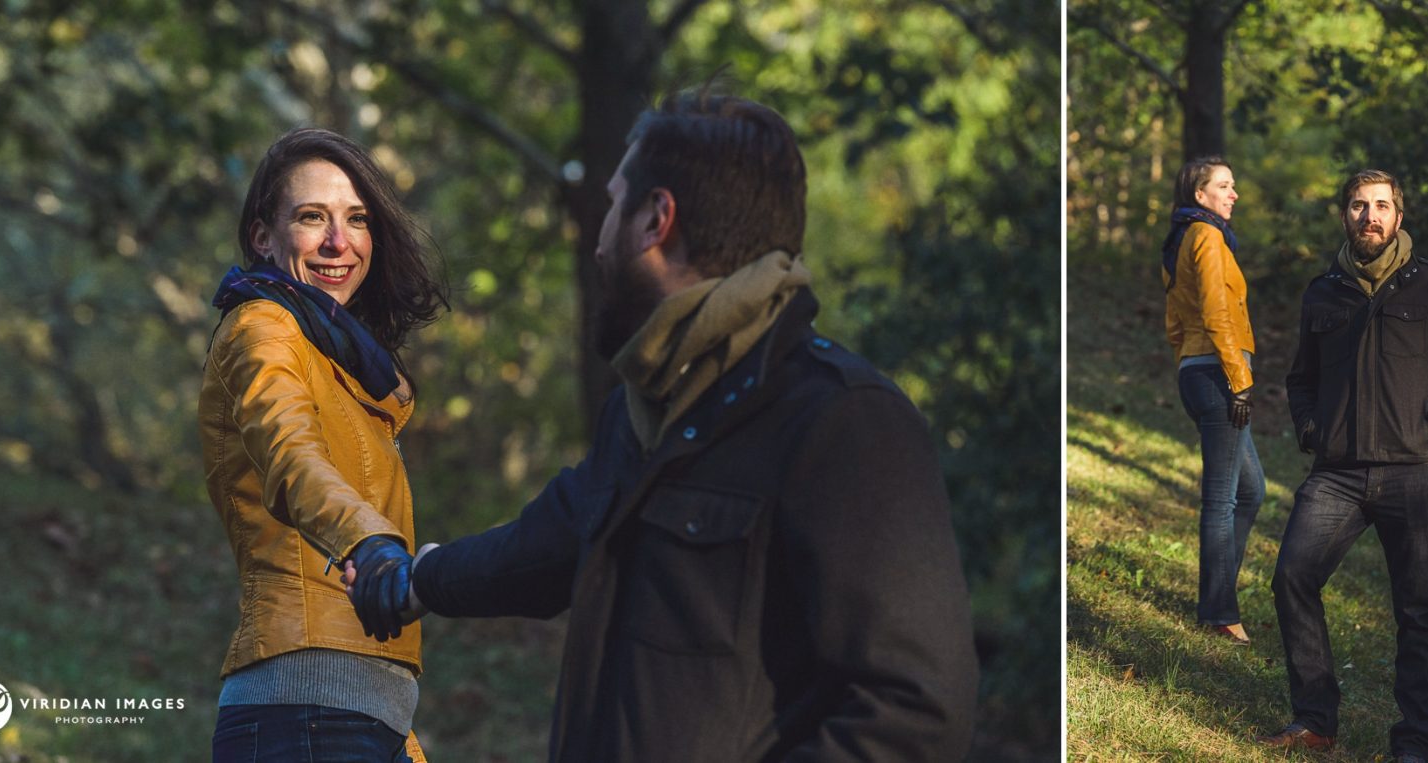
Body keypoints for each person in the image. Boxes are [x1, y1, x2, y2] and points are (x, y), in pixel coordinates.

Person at [346, 87, 980, 761]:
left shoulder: (844, 421)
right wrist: (419, 578)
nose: (597, 237)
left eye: (614, 203)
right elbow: (549, 541)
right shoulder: (647, 406)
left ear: (656, 219)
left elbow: (917, 713)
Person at [199, 127, 446, 762]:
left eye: (356, 220)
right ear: (262, 236)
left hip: (359, 710)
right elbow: (292, 455)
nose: (340, 242)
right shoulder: (263, 329)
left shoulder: (336, 357)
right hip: (305, 705)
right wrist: (368, 540)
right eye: (313, 217)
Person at [1258, 170, 1428, 762]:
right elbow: (1300, 378)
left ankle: (1414, 742)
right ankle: (1315, 718)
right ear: (1344, 215)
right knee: (1292, 576)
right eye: (1360, 206)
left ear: (1399, 215)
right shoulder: (1323, 292)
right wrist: (1311, 427)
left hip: (1414, 470)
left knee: (1416, 607)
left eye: (1382, 206)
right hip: (1337, 472)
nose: (1371, 216)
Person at [1161, 156, 1265, 646]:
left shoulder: (1185, 237)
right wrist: (1237, 377)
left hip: (1201, 368)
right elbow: (1215, 310)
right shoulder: (1206, 237)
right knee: (1223, 499)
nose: (1234, 193)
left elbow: (1174, 323)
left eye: (1233, 184)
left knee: (1252, 491)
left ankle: (1217, 594)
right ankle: (1220, 611)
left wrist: (1190, 362)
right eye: (1224, 185)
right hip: (1219, 372)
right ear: (1199, 195)